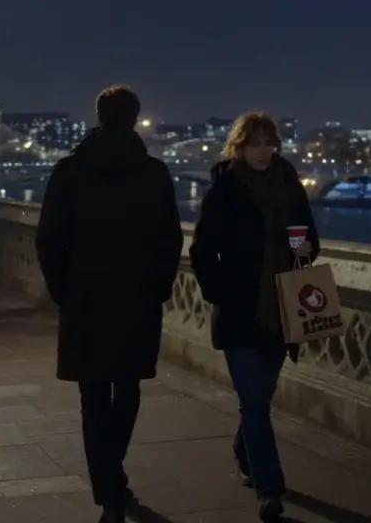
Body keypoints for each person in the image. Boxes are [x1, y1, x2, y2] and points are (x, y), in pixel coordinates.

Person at [35, 85, 183, 523]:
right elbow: (170, 240)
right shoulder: (154, 174)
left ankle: (109, 491)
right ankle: (112, 476)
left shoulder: (69, 171)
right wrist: (157, 286)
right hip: (137, 298)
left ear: (98, 116)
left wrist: (64, 290)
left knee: (93, 395)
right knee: (128, 388)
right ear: (136, 119)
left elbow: (48, 240)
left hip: (86, 298)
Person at [189, 111, 319, 522]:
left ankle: (242, 451)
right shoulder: (225, 189)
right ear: (240, 147)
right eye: (256, 143)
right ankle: (270, 489)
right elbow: (202, 250)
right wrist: (219, 291)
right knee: (255, 402)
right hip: (240, 309)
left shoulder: (290, 185)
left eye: (269, 143)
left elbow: (310, 239)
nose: (264, 151)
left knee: (258, 400)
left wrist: (304, 250)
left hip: (282, 308)